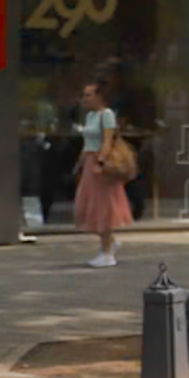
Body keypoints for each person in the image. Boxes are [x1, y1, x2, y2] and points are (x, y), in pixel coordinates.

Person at [71, 81, 131, 268]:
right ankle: (110, 242)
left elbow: (106, 141)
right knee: (87, 206)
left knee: (102, 208)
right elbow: (88, 142)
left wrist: (100, 162)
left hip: (100, 164)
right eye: (84, 95)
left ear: (99, 96)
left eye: (89, 95)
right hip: (90, 162)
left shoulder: (107, 115)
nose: (85, 99)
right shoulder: (90, 116)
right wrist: (80, 163)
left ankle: (106, 252)